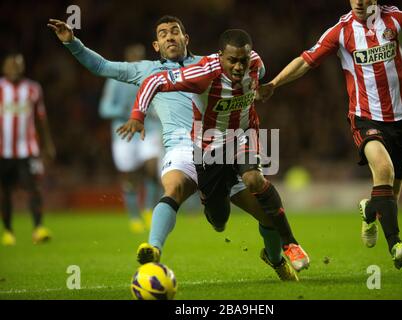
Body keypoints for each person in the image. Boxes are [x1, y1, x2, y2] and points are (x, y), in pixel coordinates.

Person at [48, 16, 307, 280]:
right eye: (163, 34)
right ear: (156, 45)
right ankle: (153, 248)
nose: (170, 36)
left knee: (256, 216)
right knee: (174, 189)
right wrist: (72, 43)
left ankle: (275, 259)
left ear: (186, 39)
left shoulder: (212, 65)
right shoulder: (145, 70)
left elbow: (253, 71)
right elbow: (102, 66)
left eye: (175, 32)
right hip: (181, 147)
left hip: (224, 144)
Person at [257, 0, 402, 269]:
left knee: (389, 197)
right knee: (383, 170)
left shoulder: (397, 20)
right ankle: (395, 245)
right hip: (365, 118)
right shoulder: (341, 31)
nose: (359, 2)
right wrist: (274, 84)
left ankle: (370, 209)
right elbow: (306, 60)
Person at [118, 28, 310, 274]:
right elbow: (153, 80)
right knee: (219, 219)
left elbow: (259, 76)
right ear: (220, 57)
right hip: (209, 149)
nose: (239, 67)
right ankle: (216, 208)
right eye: (232, 60)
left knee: (255, 180)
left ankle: (287, 248)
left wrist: (264, 88)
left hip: (243, 136)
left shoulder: (257, 64)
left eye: (244, 60)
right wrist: (138, 115)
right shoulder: (203, 73)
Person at [99, 44, 163, 234]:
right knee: (129, 177)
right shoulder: (115, 80)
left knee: (153, 168)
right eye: (134, 56)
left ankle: (149, 210)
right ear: (127, 59)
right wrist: (127, 112)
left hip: (148, 130)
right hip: (124, 132)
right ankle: (134, 217)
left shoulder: (152, 78)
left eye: (140, 57)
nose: (137, 60)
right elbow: (104, 108)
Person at [0, 53, 56, 246]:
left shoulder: (33, 88)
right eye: (11, 66)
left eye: (18, 66)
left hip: (28, 149)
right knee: (4, 191)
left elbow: (41, 118)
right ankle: (8, 230)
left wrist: (48, 145)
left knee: (34, 188)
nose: (15, 69)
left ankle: (38, 228)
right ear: (4, 68)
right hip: (3, 151)